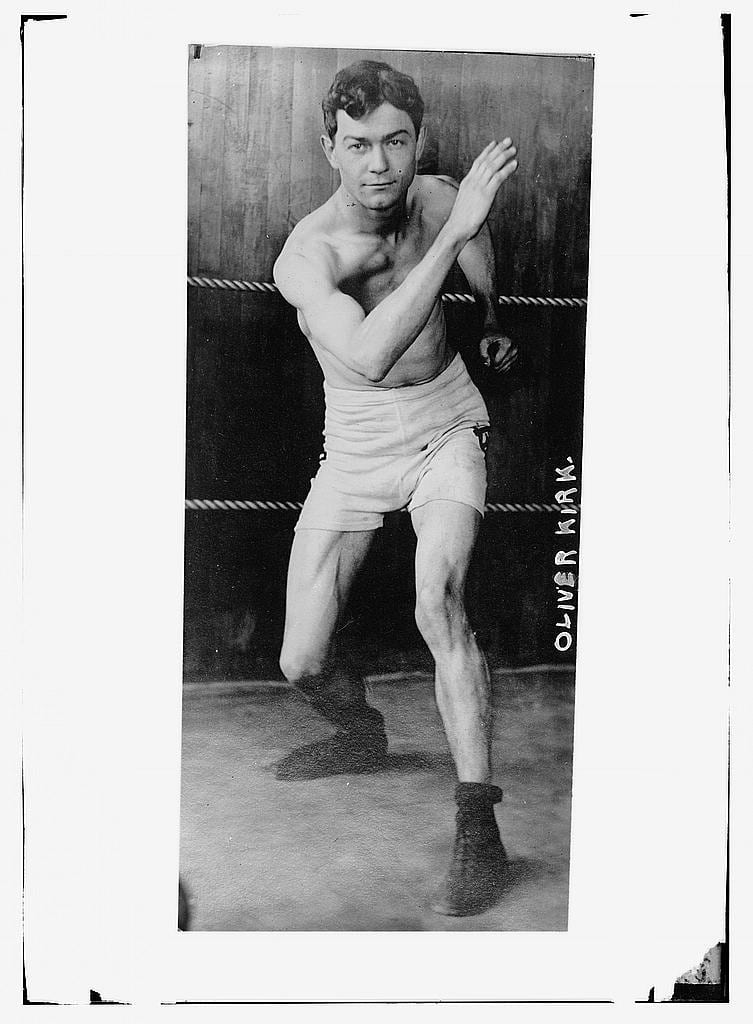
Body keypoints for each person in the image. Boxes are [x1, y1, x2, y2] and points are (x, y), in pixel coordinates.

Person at [272, 60, 519, 917]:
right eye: (357, 145)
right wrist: (454, 238)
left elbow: (471, 243)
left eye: (395, 141)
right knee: (300, 661)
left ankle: (478, 830)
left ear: (417, 141)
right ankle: (359, 731)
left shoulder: (442, 198)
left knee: (437, 600)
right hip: (355, 442)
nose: (378, 164)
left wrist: (490, 318)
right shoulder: (309, 256)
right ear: (329, 149)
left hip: (446, 421)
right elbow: (369, 356)